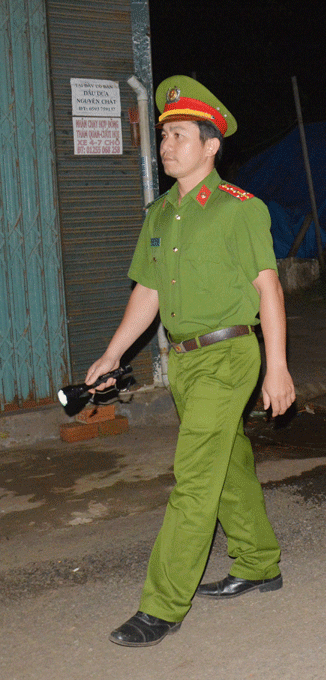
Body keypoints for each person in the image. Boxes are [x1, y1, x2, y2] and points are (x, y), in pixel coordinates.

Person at [86, 75, 295, 646]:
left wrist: (276, 366)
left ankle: (162, 605)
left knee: (195, 477)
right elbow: (148, 292)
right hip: (183, 360)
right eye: (164, 135)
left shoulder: (238, 210)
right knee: (226, 461)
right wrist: (111, 353)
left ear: (211, 145)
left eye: (180, 134)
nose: (168, 145)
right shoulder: (159, 215)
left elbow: (268, 287)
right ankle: (257, 563)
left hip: (229, 354)